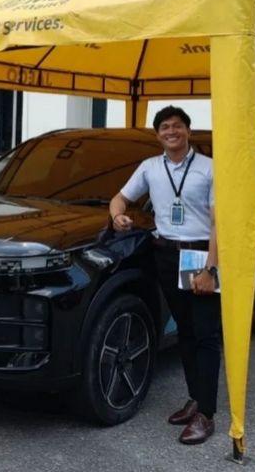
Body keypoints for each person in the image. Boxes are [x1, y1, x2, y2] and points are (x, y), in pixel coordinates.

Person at [108, 105, 220, 445]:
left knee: (205, 334)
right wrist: (117, 216)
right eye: (165, 128)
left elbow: (219, 222)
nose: (171, 132)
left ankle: (207, 414)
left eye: (177, 126)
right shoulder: (150, 167)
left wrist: (211, 269)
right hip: (167, 253)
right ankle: (195, 399)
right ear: (158, 135)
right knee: (184, 332)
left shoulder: (209, 169)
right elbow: (119, 198)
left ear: (188, 130)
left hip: (198, 254)